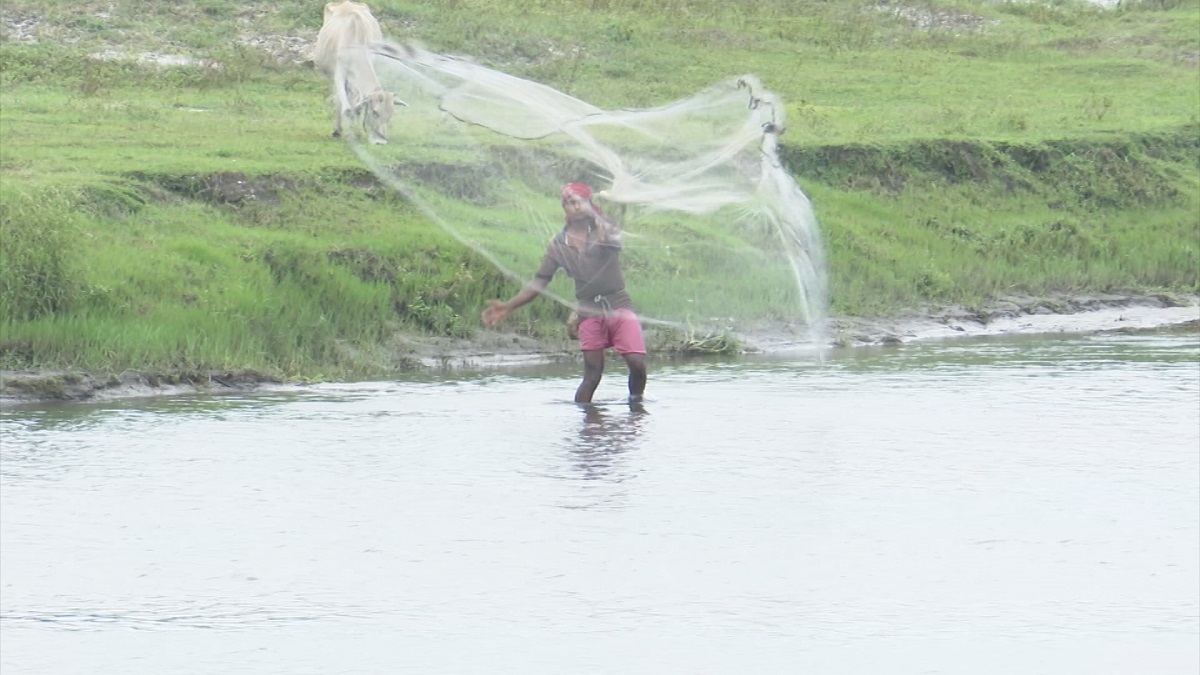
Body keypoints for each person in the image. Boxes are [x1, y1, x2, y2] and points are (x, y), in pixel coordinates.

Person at [481, 182, 647, 404]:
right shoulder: (558, 245)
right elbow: (540, 281)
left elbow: (618, 222)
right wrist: (508, 306)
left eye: (580, 201)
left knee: (637, 364)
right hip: (588, 312)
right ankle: (586, 426)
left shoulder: (603, 231)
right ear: (564, 208)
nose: (575, 206)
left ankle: (636, 410)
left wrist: (619, 201)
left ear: (590, 204)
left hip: (619, 305)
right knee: (592, 375)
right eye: (569, 203)